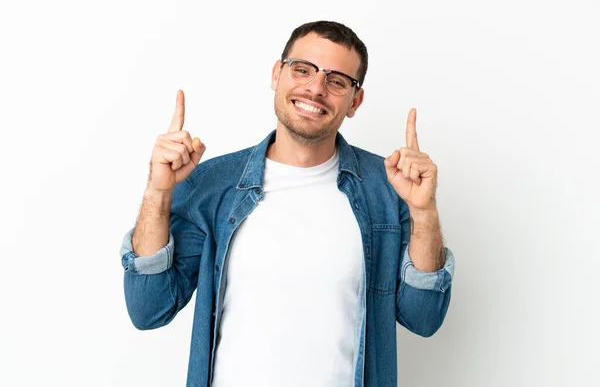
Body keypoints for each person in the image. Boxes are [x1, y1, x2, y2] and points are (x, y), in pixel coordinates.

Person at [120, 20, 455, 387]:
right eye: (302, 70)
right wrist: (157, 193)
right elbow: (148, 309)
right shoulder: (211, 185)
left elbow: (423, 319)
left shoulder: (389, 190)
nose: (315, 89)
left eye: (337, 80)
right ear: (277, 74)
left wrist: (424, 211)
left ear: (355, 101)